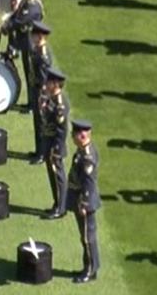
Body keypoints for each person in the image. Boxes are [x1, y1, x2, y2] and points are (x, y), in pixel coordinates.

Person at [66, 120, 100, 283]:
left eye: (74, 134)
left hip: (85, 203)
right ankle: (90, 266)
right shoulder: (82, 151)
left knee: (87, 238)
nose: (72, 137)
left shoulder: (87, 157)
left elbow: (89, 183)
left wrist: (84, 203)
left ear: (82, 136)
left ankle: (90, 270)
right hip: (80, 199)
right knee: (86, 236)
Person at [39, 68, 70, 219]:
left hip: (55, 145)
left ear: (56, 84)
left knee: (58, 176)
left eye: (49, 82)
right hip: (48, 141)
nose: (47, 84)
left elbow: (62, 129)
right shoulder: (50, 98)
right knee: (53, 175)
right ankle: (56, 203)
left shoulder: (60, 104)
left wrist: (57, 148)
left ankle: (61, 207)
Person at [27, 21, 54, 160]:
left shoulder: (43, 54)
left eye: (34, 35)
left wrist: (42, 96)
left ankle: (42, 153)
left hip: (40, 91)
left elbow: (44, 78)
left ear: (40, 36)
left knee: (41, 124)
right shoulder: (38, 49)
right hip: (36, 88)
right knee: (37, 122)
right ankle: (39, 151)